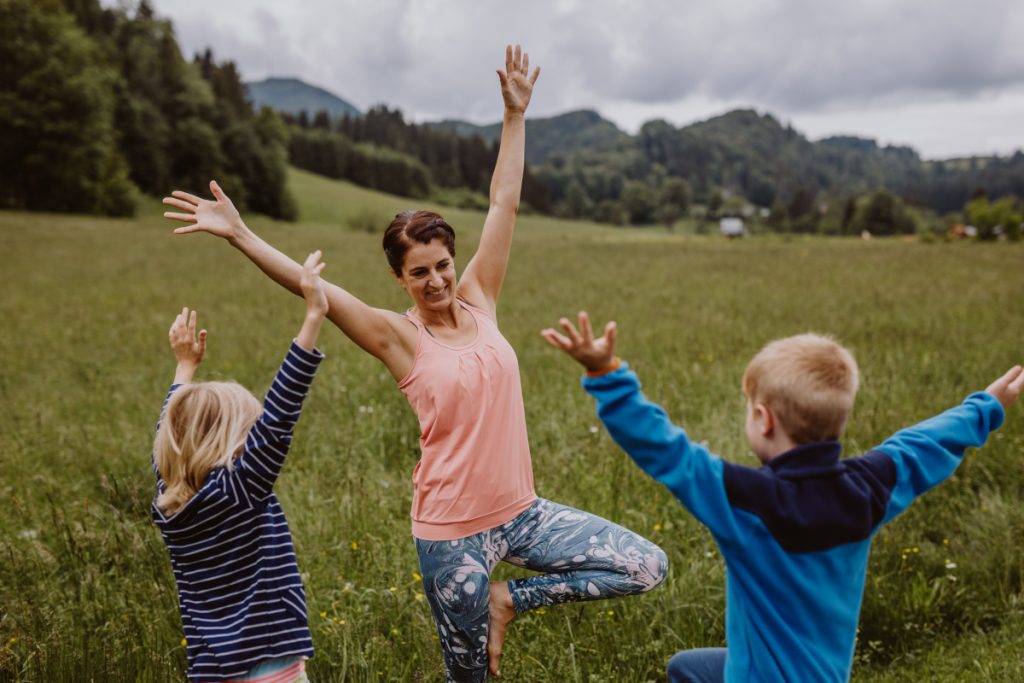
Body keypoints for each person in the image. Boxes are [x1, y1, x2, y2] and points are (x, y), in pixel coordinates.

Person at [161, 45, 667, 681]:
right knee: (471, 676)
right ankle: (484, 616)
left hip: (524, 513)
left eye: (443, 266)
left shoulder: (481, 299)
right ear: (400, 279)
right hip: (450, 534)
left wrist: (515, 118)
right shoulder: (396, 338)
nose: (436, 282)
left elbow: (503, 206)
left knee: (645, 565)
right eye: (419, 273)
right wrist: (240, 234)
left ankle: (505, 601)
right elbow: (309, 287)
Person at [542, 312, 1023, 683]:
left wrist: (605, 372)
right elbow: (922, 445)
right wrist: (985, 407)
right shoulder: (870, 487)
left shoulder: (749, 504)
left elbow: (668, 453)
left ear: (763, 419)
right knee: (687, 668)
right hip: (827, 675)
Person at [152, 251, 328, 682]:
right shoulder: (242, 491)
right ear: (232, 442)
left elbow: (170, 430)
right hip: (272, 669)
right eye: (249, 431)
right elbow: (280, 415)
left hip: (212, 672)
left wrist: (184, 367)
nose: (255, 439)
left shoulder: (169, 505)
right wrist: (313, 316)